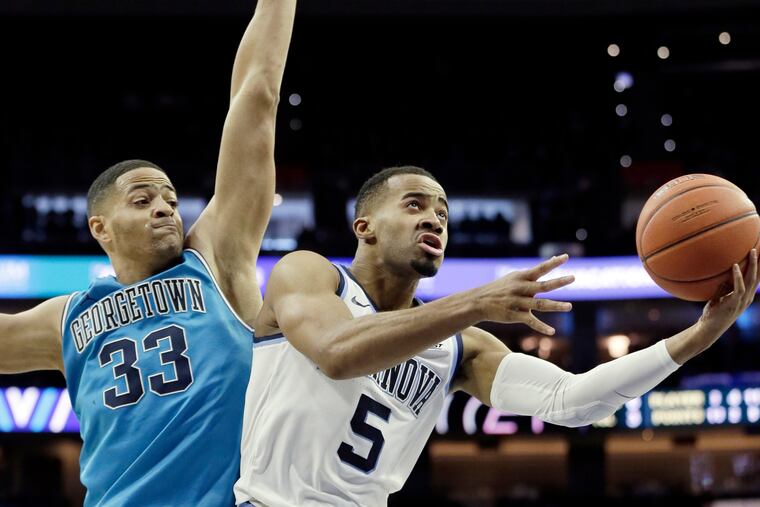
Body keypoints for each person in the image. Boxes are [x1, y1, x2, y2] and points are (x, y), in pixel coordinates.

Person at [235, 165, 759, 507]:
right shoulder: (308, 273)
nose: (435, 219)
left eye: (442, 212)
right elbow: (337, 352)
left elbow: (570, 401)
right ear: (364, 226)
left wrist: (697, 337)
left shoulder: (458, 346)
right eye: (415, 205)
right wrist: (476, 303)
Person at [0, 1, 297, 505]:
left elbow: (257, 99)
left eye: (171, 199)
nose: (165, 209)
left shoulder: (215, 261)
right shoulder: (68, 317)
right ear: (100, 227)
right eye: (142, 200)